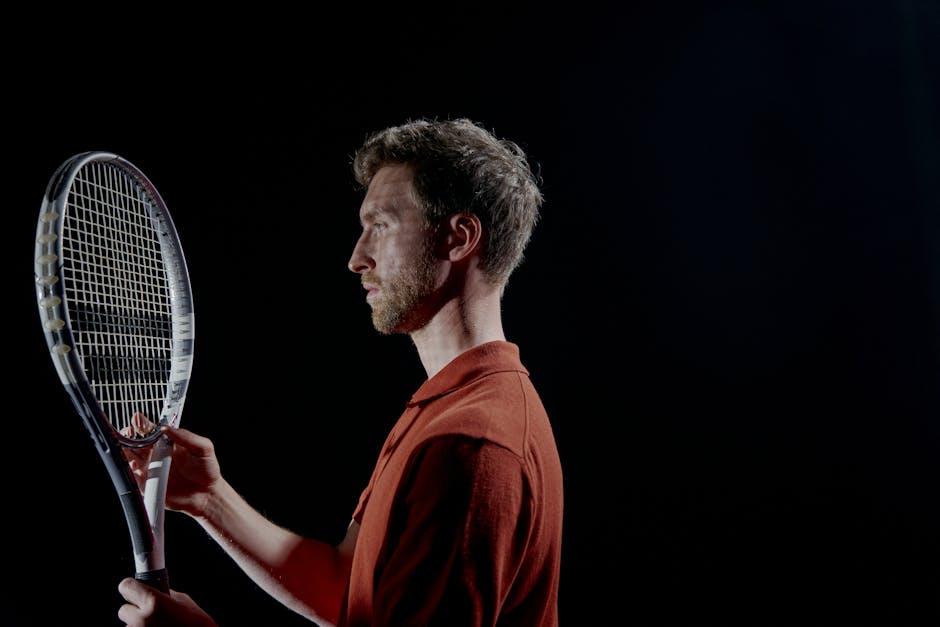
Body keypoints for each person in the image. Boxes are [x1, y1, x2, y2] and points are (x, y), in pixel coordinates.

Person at [116, 117, 564, 627]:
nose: (356, 259)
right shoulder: (446, 408)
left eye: (381, 225)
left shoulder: (473, 443)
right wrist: (209, 499)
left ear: (459, 238)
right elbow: (347, 588)